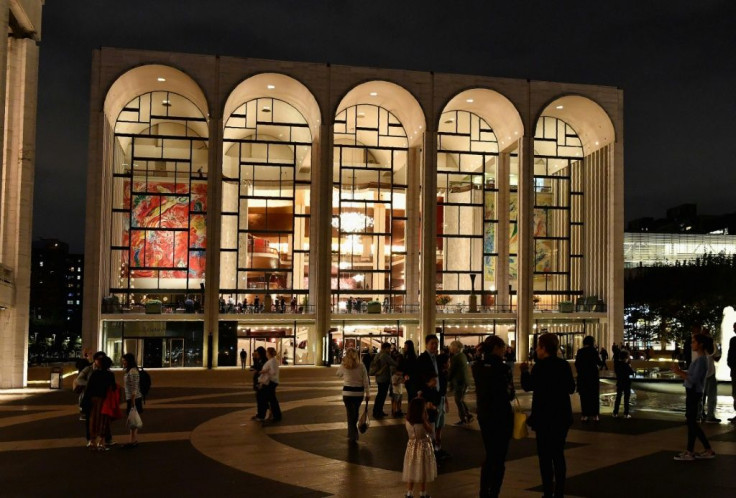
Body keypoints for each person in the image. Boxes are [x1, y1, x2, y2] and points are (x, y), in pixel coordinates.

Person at [520, 333, 576, 498]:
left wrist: (524, 372)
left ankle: (547, 491)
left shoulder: (540, 367)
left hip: (544, 417)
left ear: (544, 348)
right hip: (561, 415)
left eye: (538, 346)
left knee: (544, 456)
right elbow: (571, 388)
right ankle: (559, 491)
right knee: (558, 454)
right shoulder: (563, 365)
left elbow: (528, 386)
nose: (536, 349)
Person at [472, 335, 514, 498]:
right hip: (501, 414)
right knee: (500, 456)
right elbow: (510, 394)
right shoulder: (503, 369)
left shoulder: (477, 367)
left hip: (484, 414)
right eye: (502, 347)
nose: (504, 350)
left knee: (490, 453)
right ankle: (494, 491)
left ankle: (484, 491)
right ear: (496, 348)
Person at [672, 333, 716, 460]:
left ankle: (707, 449)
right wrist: (681, 371)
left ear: (700, 344)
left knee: (691, 422)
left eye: (693, 342)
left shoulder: (702, 360)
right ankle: (690, 451)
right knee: (691, 422)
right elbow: (692, 376)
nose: (691, 344)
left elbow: (694, 379)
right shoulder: (700, 359)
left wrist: (679, 372)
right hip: (693, 391)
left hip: (694, 392)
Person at [402, 398, 437, 498]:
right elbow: (431, 431)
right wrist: (428, 417)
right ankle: (423, 492)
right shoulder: (423, 423)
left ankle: (409, 492)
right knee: (423, 470)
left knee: (411, 469)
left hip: (411, 446)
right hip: (423, 448)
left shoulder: (408, 421)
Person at [83, 354, 116, 451]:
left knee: (93, 419)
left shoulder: (95, 373)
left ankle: (92, 441)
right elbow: (113, 387)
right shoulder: (110, 374)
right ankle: (101, 442)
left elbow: (89, 388)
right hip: (105, 400)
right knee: (104, 420)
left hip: (94, 399)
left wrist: (86, 400)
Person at [336, 348, 370, 443]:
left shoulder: (344, 365)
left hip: (347, 393)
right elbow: (366, 380)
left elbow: (338, 374)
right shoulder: (361, 365)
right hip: (358, 393)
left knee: (350, 414)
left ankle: (352, 434)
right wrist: (368, 393)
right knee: (355, 413)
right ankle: (353, 433)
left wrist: (343, 368)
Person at [574, 335, 603, 421]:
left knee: (584, 396)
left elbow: (577, 364)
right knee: (594, 396)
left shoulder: (580, 351)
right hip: (593, 376)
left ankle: (585, 414)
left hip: (583, 376)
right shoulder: (594, 351)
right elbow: (599, 362)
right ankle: (595, 415)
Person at [447, 340, 473, 425]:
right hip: (463, 381)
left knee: (458, 400)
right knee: (460, 399)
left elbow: (452, 371)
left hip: (459, 382)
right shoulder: (463, 356)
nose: (450, 348)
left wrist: (447, 378)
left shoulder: (456, 357)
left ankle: (464, 418)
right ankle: (468, 415)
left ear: (456, 348)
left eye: (451, 346)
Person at [370, 342, 397, 419]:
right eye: (389, 348)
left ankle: (377, 411)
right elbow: (394, 363)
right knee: (382, 396)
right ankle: (378, 412)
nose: (390, 350)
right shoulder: (385, 355)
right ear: (385, 348)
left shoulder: (378, 355)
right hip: (384, 378)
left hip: (378, 378)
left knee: (380, 395)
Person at [255, 347, 282, 422]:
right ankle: (274, 415)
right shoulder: (272, 361)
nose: (266, 353)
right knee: (271, 399)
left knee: (270, 399)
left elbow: (273, 372)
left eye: (267, 352)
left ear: (269, 353)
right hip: (270, 382)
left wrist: (264, 371)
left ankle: (275, 415)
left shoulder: (272, 361)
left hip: (270, 382)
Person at [121, 353, 142, 448]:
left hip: (134, 398)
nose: (123, 363)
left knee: (132, 419)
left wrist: (133, 400)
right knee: (132, 420)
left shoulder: (133, 371)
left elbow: (135, 386)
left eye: (124, 361)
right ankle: (133, 440)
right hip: (132, 398)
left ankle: (132, 440)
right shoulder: (129, 371)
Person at [702, 335, 720, 423]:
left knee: (701, 396)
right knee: (712, 396)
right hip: (710, 373)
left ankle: (700, 414)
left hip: (702, 374)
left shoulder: (701, 347)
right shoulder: (713, 346)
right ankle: (710, 415)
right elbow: (717, 358)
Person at [613, 350, 633, 418]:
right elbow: (631, 373)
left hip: (619, 382)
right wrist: (629, 365)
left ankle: (615, 413)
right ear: (626, 357)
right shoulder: (626, 365)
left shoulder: (617, 364)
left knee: (618, 398)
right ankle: (626, 414)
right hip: (626, 383)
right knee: (626, 399)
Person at [729, 325, 736, 424]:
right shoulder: (733, 340)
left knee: (735, 393)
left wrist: (730, 364)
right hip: (734, 369)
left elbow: (731, 354)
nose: (733, 329)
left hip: (735, 370)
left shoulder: (734, 340)